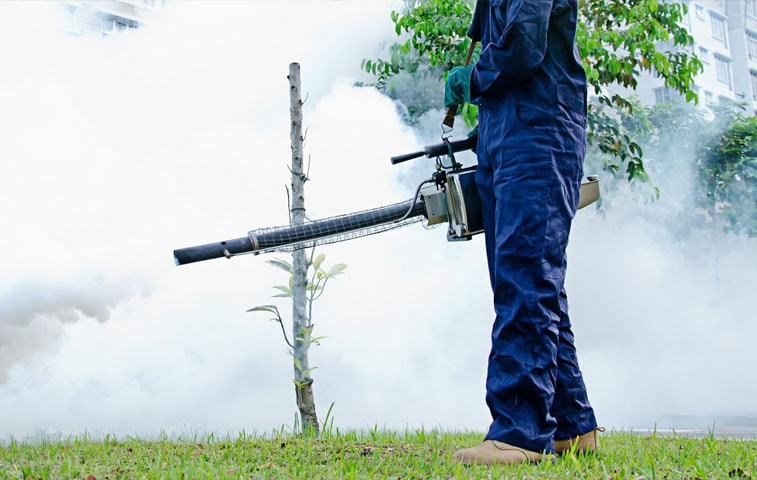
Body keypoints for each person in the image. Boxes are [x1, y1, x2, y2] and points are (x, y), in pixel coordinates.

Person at [443, 0, 601, 465]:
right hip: (508, 133)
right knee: (530, 282)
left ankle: (519, 431)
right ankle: (572, 427)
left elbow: (524, 46)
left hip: (536, 131)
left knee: (526, 279)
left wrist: (470, 80)